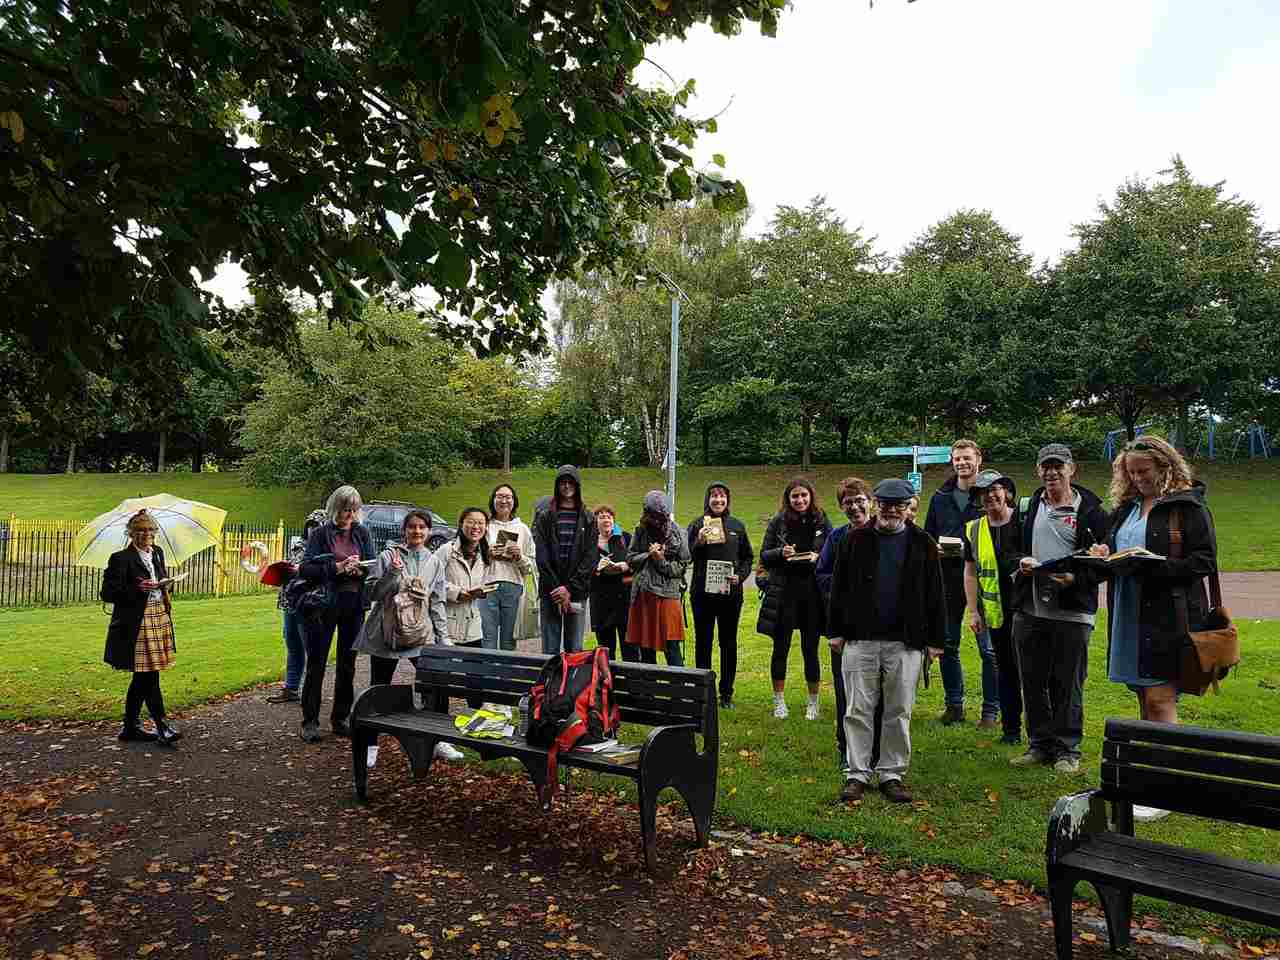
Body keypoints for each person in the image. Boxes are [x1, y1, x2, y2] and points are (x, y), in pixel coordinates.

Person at [1092, 436, 1217, 821]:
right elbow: (1115, 550)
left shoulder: (1187, 505)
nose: (1138, 478)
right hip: (1129, 612)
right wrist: (1103, 556)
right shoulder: (1126, 508)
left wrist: (1154, 566)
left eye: (1144, 471)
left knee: (1162, 699)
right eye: (1131, 472)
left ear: (1165, 466)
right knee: (1145, 698)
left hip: (1169, 614)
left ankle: (1163, 789)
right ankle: (1151, 777)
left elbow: (1204, 562)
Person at [828, 479, 945, 803]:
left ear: (909, 508)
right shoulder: (854, 540)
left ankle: (892, 774)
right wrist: (835, 631)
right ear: (876, 504)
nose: (892, 510)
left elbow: (935, 593)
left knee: (898, 709)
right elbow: (839, 587)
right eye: (886, 504)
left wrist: (936, 640)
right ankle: (857, 774)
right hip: (860, 637)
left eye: (899, 505)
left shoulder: (922, 543)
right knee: (857, 708)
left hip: (906, 640)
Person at [1010, 444, 1108, 774]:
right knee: (1033, 681)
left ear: (1072, 469)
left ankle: (1068, 749)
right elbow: (1011, 549)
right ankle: (1039, 745)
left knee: (1068, 683)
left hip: (1073, 611)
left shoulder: (1092, 510)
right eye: (1045, 467)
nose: (1051, 472)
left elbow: (1105, 563)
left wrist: (1075, 578)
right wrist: (1020, 562)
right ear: (1038, 470)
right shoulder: (1027, 506)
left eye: (1058, 466)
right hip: (1030, 608)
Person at [354, 509, 463, 763]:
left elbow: (436, 601)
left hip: (419, 633)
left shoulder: (434, 561)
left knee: (436, 685)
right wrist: (392, 573)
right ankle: (371, 746)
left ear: (428, 531)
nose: (417, 531)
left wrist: (443, 636)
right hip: (387, 632)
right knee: (378, 689)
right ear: (404, 530)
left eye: (422, 527)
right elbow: (373, 595)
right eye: (412, 527)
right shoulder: (387, 556)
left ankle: (439, 740)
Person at [298, 485, 376, 742]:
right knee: (317, 663)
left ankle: (340, 718)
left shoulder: (362, 533)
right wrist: (337, 568)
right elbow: (306, 568)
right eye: (344, 509)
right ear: (335, 508)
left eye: (353, 510)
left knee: (348, 664)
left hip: (353, 605)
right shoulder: (321, 533)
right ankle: (309, 721)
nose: (349, 515)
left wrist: (359, 570)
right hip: (323, 606)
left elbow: (371, 565)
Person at [924, 439, 993, 727]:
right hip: (948, 577)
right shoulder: (941, 496)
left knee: (988, 648)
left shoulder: (990, 494)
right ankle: (954, 705)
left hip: (984, 577)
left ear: (978, 459)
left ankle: (991, 710)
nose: (961, 463)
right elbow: (927, 535)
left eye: (966, 458)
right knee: (948, 643)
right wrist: (933, 550)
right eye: (957, 459)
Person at [100, 509, 183, 746]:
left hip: (158, 616)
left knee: (143, 676)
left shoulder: (157, 553)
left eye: (149, 530)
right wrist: (139, 589)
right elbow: (107, 593)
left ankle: (130, 727)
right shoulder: (120, 558)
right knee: (148, 676)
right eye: (139, 530)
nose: (145, 534)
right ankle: (162, 725)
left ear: (155, 532)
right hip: (137, 623)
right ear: (130, 533)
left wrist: (166, 585)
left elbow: (161, 580)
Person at [758, 477, 833, 720]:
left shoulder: (821, 519)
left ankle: (813, 702)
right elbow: (764, 555)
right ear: (788, 499)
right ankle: (779, 702)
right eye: (794, 496)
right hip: (784, 593)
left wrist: (818, 556)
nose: (800, 500)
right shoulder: (778, 521)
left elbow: (832, 552)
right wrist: (782, 552)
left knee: (810, 649)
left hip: (812, 594)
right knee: (781, 648)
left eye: (803, 495)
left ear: (810, 496)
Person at [961, 471, 1025, 746]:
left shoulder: (1025, 519)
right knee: (1006, 671)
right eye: (982, 493)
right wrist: (974, 610)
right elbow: (971, 571)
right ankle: (1011, 730)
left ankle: (1042, 735)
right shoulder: (974, 529)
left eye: (995, 489)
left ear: (1007, 492)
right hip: (996, 612)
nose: (990, 496)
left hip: (1030, 609)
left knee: (1033, 672)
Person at [816, 477, 875, 772]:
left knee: (879, 694)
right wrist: (845, 592)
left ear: (871, 501)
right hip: (845, 627)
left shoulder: (884, 533)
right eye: (847, 502)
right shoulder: (837, 538)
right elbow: (822, 574)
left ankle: (876, 751)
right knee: (846, 691)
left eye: (859, 499)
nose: (854, 506)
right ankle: (846, 748)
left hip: (882, 629)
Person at [687, 482, 754, 708]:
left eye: (722, 496)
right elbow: (688, 556)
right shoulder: (698, 524)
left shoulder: (737, 526)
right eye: (714, 496)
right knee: (703, 643)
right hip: (702, 595)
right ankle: (703, 694)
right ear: (707, 499)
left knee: (728, 643)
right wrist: (700, 541)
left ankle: (726, 694)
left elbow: (747, 558)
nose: (718, 500)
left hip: (730, 596)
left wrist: (741, 576)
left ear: (728, 500)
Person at [533, 465, 598, 655]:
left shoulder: (588, 518)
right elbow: (542, 556)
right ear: (557, 485)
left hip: (576, 592)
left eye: (571, 482)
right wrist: (557, 588)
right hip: (550, 591)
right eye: (563, 482)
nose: (567, 486)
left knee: (574, 648)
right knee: (550, 648)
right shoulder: (545, 517)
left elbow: (590, 557)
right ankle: (550, 684)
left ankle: (572, 685)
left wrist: (569, 589)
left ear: (577, 486)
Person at [266, 509, 326, 704]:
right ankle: (291, 688)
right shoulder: (298, 545)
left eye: (316, 526)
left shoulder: (325, 551)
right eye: (309, 525)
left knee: (311, 647)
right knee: (292, 644)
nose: (311, 530)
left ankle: (312, 691)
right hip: (289, 600)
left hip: (307, 602)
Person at [625, 490, 690, 666]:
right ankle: (647, 692)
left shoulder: (678, 533)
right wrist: (648, 555)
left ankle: (678, 691)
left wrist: (660, 561)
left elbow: (681, 567)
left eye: (658, 516)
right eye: (651, 515)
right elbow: (630, 558)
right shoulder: (640, 530)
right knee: (646, 649)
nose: (654, 520)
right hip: (644, 595)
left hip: (667, 597)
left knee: (672, 648)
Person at [483, 484, 534, 652]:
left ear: (514, 502)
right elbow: (471, 560)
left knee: (508, 641)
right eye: (499, 496)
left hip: (513, 587)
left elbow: (531, 567)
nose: (504, 500)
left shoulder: (523, 529)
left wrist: (519, 556)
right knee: (487, 639)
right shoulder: (484, 526)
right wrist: (487, 553)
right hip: (487, 585)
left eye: (508, 497)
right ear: (493, 499)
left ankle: (505, 677)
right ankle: (487, 676)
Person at [589, 504, 633, 661]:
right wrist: (597, 569)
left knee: (630, 649)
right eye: (601, 517)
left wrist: (625, 566)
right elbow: (583, 571)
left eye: (609, 516)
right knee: (606, 652)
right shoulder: (589, 543)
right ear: (595, 521)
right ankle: (608, 682)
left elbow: (637, 562)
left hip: (625, 601)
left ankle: (630, 684)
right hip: (601, 603)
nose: (606, 519)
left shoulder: (626, 538)